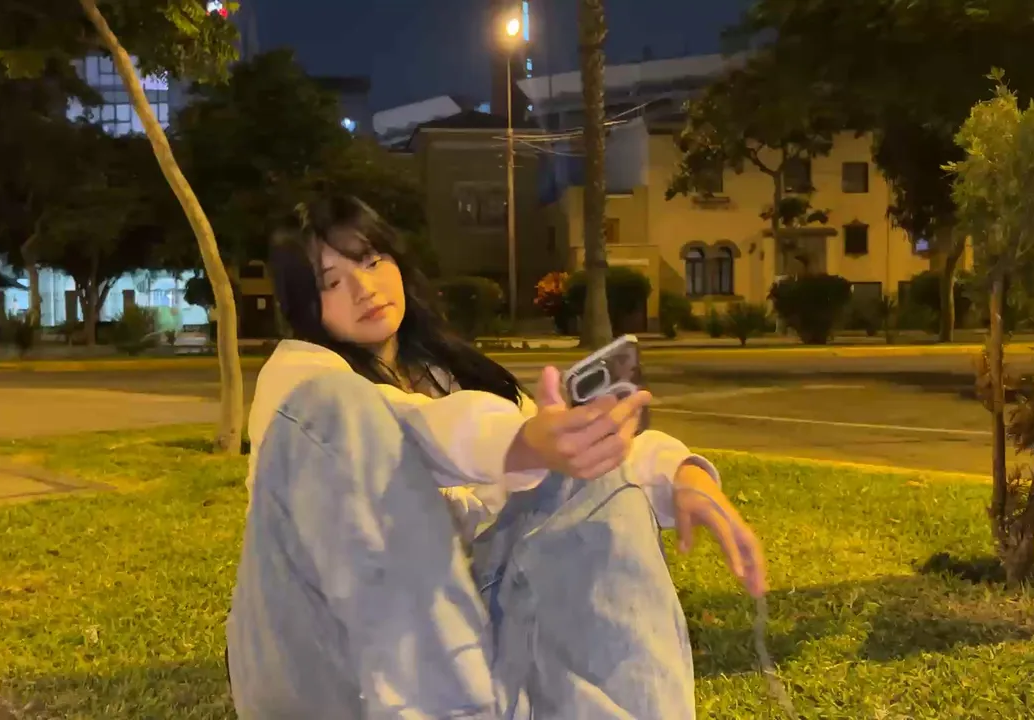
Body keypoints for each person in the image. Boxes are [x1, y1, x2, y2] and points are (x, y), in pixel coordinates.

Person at [226, 196, 767, 719]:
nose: (364, 288)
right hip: (328, 664)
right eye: (331, 281)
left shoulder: (449, 375)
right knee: (336, 405)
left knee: (597, 482)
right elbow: (420, 428)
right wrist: (523, 443)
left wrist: (682, 474)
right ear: (304, 303)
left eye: (371, 261)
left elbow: (554, 445)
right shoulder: (298, 380)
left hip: (461, 647)